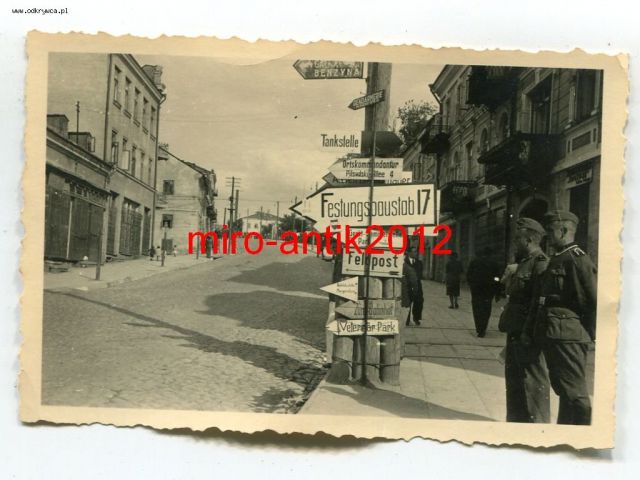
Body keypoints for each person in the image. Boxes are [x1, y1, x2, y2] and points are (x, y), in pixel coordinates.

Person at [523, 210, 597, 425]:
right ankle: (566, 433)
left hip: (568, 335)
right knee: (565, 391)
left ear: (563, 231)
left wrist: (589, 334)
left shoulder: (577, 259)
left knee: (575, 394)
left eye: (550, 230)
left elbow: (592, 300)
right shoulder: (559, 257)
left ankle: (583, 435)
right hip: (556, 334)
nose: (547, 235)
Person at [499, 217, 551, 423]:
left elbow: (539, 305)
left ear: (529, 240)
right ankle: (516, 423)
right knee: (515, 382)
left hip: (527, 334)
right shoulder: (524, 263)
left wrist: (529, 334)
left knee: (533, 382)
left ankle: (538, 426)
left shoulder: (540, 264)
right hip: (515, 332)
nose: (515, 243)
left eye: (517, 239)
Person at [466, 247, 501, 337]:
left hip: (476, 289)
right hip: (489, 290)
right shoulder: (494, 264)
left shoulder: (474, 262)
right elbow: (497, 278)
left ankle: (479, 328)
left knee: (476, 308)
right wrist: (496, 288)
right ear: (491, 254)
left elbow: (469, 275)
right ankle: (483, 327)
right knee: (486, 308)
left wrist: (472, 284)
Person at [401, 245, 424, 326]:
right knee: (408, 302)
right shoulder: (404, 262)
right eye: (413, 252)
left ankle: (416, 318)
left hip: (417, 285)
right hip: (407, 285)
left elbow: (420, 274)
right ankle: (407, 319)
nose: (415, 253)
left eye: (416, 252)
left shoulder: (419, 263)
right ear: (409, 253)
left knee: (419, 301)